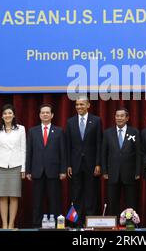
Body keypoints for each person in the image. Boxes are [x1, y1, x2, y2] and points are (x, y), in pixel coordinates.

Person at [26, 103, 66, 228]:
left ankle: (55, 225)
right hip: (37, 171)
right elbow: (29, 152)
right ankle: (37, 224)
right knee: (37, 201)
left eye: (47, 112)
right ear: (39, 115)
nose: (45, 114)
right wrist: (28, 170)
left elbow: (63, 152)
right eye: (42, 112)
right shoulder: (33, 131)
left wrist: (63, 170)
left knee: (54, 200)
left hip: (54, 171)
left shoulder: (59, 131)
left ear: (52, 115)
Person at [66, 96, 102, 225]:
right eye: (77, 104)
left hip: (91, 164)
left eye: (82, 104)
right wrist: (68, 164)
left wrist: (98, 163)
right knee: (76, 194)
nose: (79, 107)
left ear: (88, 105)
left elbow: (99, 143)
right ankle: (75, 222)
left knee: (90, 193)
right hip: (75, 164)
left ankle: (90, 222)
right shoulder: (70, 122)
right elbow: (68, 145)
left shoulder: (96, 121)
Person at [0, 104, 26, 229]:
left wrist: (23, 168)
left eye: (10, 113)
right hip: (0, 166)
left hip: (16, 166)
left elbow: (23, 150)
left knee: (14, 196)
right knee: (3, 196)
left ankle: (11, 225)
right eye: (5, 113)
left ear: (14, 115)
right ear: (1, 116)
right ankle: (4, 225)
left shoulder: (21, 129)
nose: (7, 115)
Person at [101, 108, 141, 216]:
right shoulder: (107, 133)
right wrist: (104, 170)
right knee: (113, 201)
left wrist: (137, 172)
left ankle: (130, 225)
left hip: (130, 173)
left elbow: (138, 153)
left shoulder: (134, 132)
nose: (119, 118)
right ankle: (114, 225)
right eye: (117, 116)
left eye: (122, 116)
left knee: (130, 202)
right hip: (112, 173)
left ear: (127, 118)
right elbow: (103, 153)